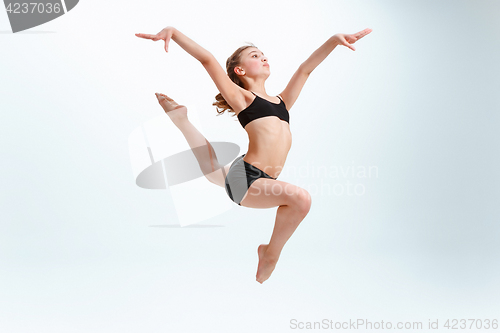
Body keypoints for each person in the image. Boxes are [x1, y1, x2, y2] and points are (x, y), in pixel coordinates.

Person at [136, 26, 372, 283]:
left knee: (213, 170)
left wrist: (333, 41)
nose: (263, 57)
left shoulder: (282, 102)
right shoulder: (242, 98)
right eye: (255, 55)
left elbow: (305, 69)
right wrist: (174, 32)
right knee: (300, 200)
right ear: (240, 70)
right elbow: (207, 59)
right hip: (247, 178)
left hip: (257, 176)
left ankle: (181, 120)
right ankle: (270, 254)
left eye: (263, 54)